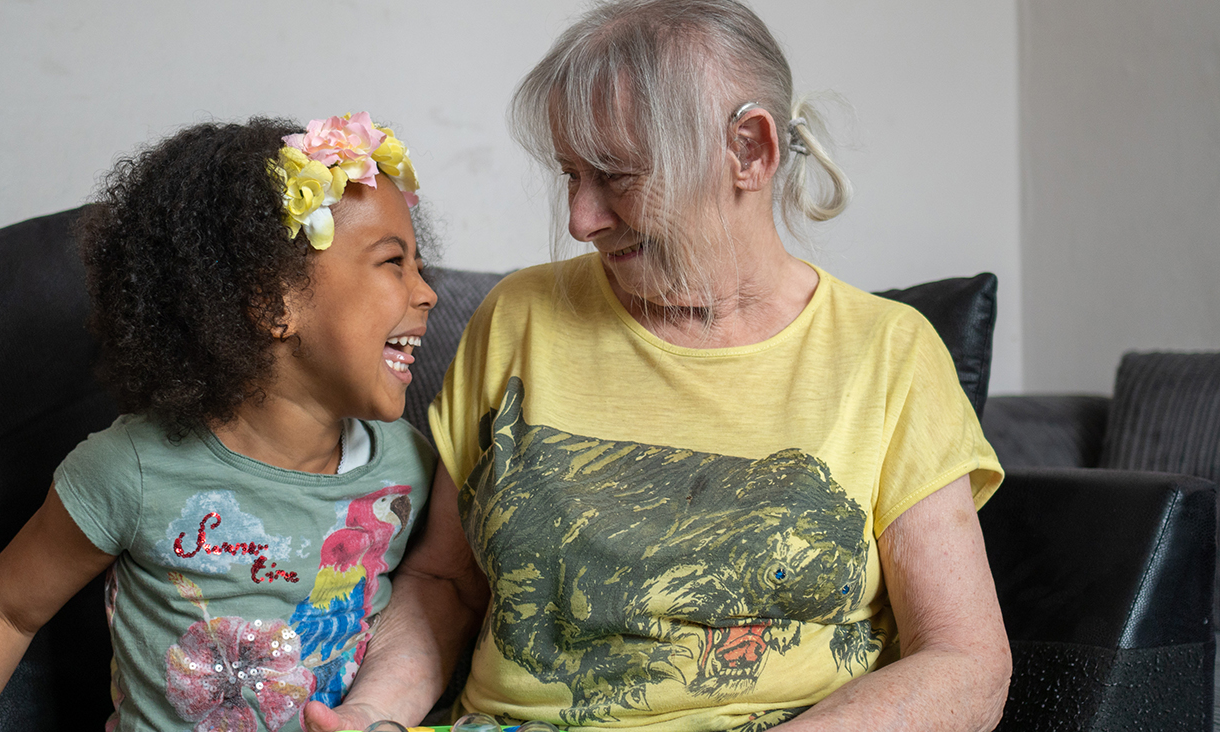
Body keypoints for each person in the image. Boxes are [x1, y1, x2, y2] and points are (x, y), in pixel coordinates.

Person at [305, 1, 1010, 731]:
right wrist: (371, 714)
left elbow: (966, 664)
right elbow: (447, 581)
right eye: (570, 175)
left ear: (750, 151)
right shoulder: (516, 318)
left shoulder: (890, 353)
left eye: (616, 175)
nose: (581, 219)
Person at [0, 113, 439, 732]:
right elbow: (2, 611)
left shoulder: (409, 467)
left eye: (419, 265)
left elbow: (439, 597)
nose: (427, 293)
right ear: (272, 302)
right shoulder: (132, 469)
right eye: (394, 263)